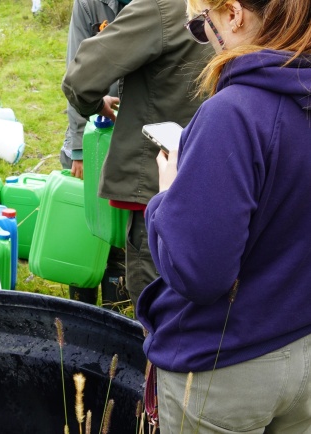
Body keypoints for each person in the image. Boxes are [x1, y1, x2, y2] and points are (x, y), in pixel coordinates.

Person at [137, 0, 311, 431]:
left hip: (224, 365)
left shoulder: (232, 112)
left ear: (233, 13)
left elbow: (199, 274)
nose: (205, 42)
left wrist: (168, 193)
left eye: (202, 25)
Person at [61, 0, 212, 309]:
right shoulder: (250, 9)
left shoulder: (163, 8)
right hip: (230, 183)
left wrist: (95, 105)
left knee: (159, 307)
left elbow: (80, 79)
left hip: (160, 187)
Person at [60, 0, 130, 310]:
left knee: (122, 229)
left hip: (136, 128)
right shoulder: (89, 4)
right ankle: (81, 309)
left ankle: (117, 308)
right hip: (92, 125)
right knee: (86, 223)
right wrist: (79, 150)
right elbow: (76, 71)